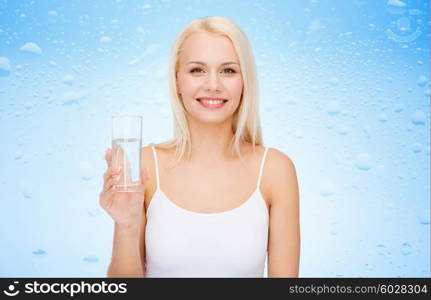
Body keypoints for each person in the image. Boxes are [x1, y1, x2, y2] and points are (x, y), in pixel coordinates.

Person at [99, 16, 300, 278]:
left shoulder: (275, 170)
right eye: (197, 70)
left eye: (228, 70)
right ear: (177, 82)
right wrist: (125, 225)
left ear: (245, 83)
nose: (213, 85)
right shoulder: (144, 167)